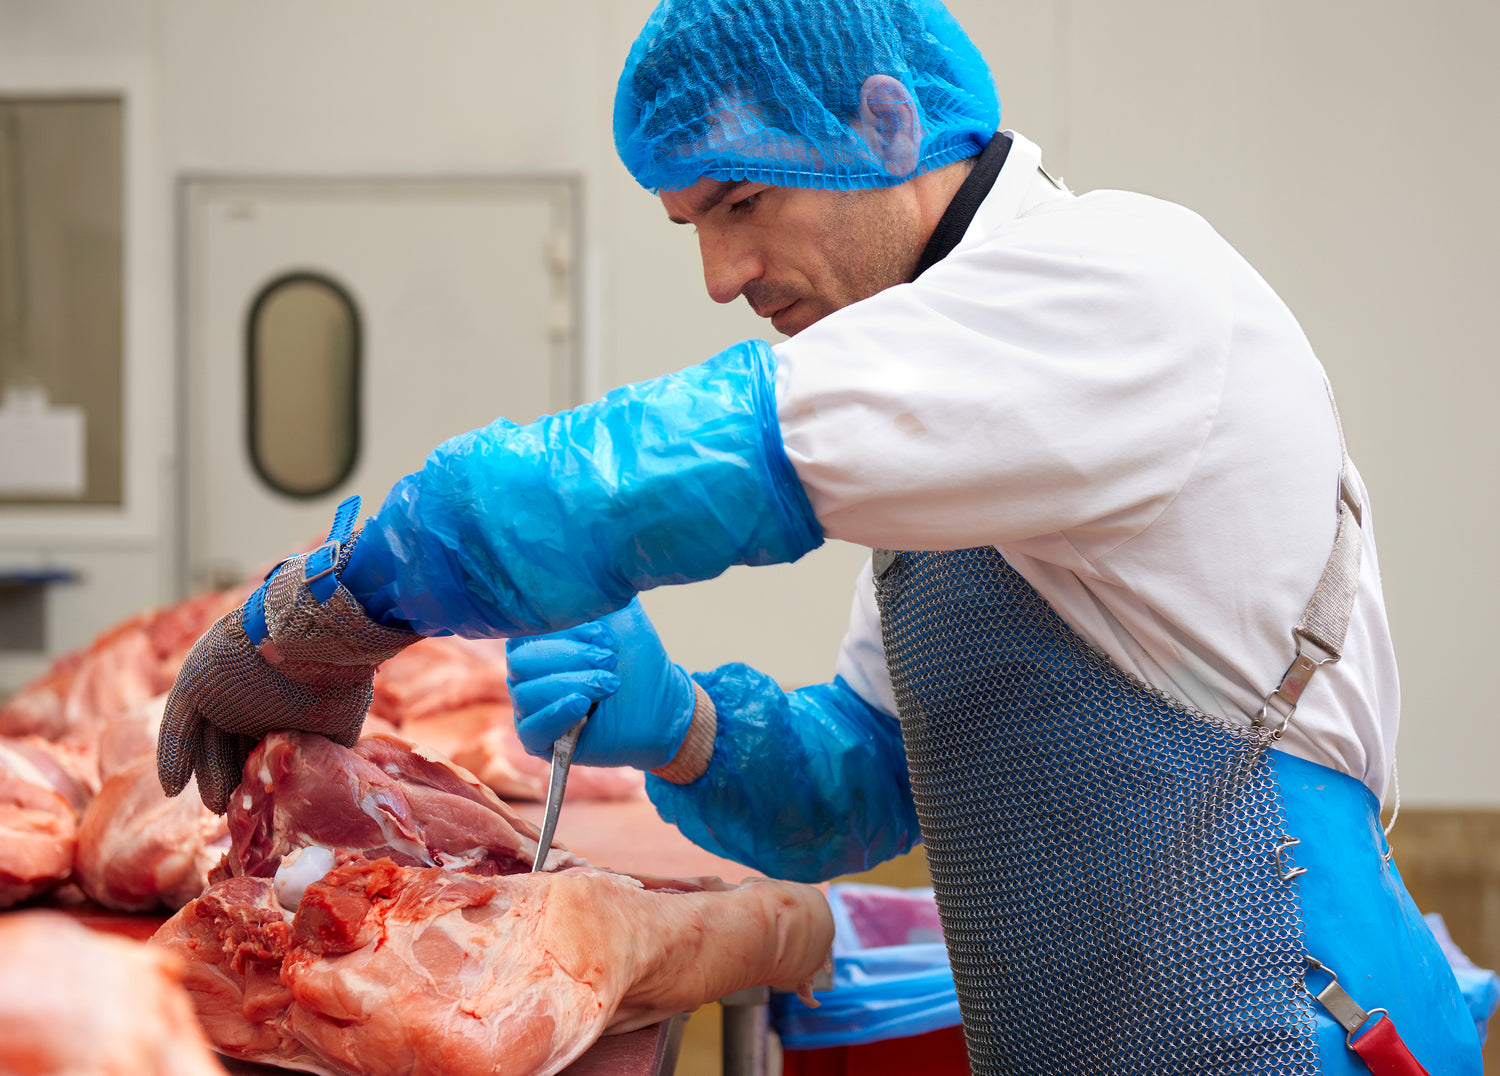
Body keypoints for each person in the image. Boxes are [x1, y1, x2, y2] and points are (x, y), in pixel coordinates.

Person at [158, 1, 1487, 1072]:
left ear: (886, 122)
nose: (720, 278)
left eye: (739, 202)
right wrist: (682, 726)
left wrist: (333, 608)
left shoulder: (1124, 287)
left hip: (1297, 1028)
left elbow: (661, 470)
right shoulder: (965, 429)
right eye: (691, 228)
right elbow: (870, 783)